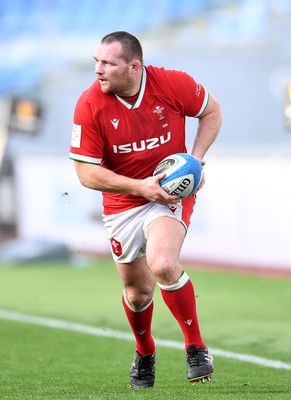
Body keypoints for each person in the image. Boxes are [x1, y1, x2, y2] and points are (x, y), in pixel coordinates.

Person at [69, 31, 222, 389]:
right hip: (123, 203)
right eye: (96, 61)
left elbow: (212, 111)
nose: (98, 70)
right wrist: (140, 187)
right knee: (138, 293)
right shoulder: (89, 103)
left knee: (164, 263)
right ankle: (145, 350)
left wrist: (195, 162)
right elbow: (85, 172)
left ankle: (196, 347)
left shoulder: (172, 84)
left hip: (167, 195)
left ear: (134, 66)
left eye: (107, 63)